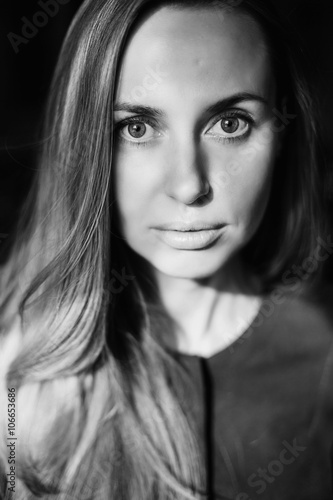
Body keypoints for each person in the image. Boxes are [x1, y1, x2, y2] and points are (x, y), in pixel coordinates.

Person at [0, 0, 332, 498]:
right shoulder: (19, 365)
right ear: (86, 146)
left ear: (284, 132)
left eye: (230, 124)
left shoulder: (322, 361)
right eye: (137, 128)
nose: (188, 185)